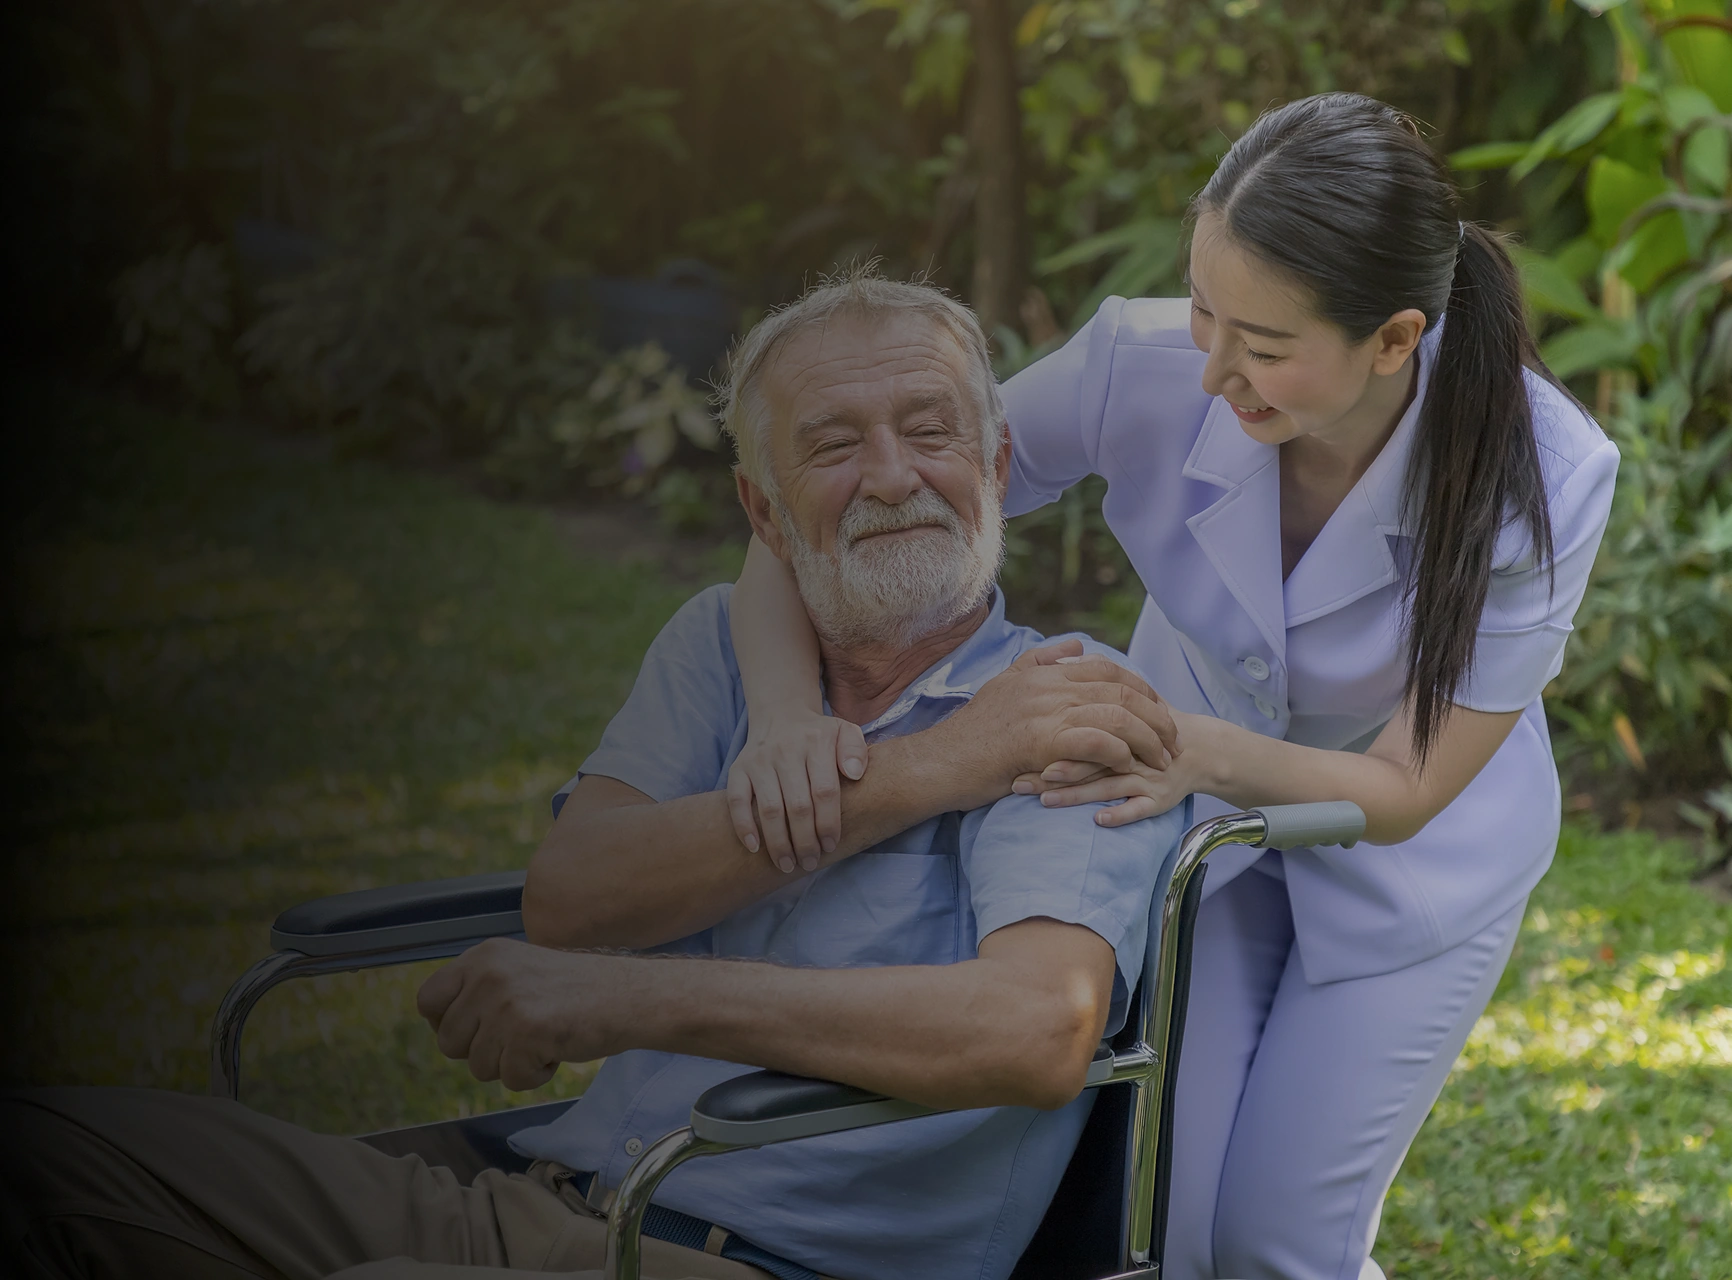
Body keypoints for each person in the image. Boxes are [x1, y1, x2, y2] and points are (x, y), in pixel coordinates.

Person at [1, 274, 1188, 1280]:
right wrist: (926, 768)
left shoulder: (1059, 706)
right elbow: (576, 898)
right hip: (537, 1205)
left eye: (930, 431)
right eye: (833, 442)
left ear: (990, 460)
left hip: (746, 1256)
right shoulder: (720, 646)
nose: (890, 474)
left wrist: (624, 1001)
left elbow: (1037, 1028)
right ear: (761, 511)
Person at [722, 93, 1621, 1280]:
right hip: (1203, 840)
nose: (1210, 369)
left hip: (1413, 864)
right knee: (1168, 1233)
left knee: (1278, 1243)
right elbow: (843, 505)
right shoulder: (1136, 365)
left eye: (1261, 343)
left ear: (1395, 339)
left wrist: (1182, 746)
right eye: (1203, 308)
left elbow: (1405, 789)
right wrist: (784, 716)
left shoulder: (1547, 472)